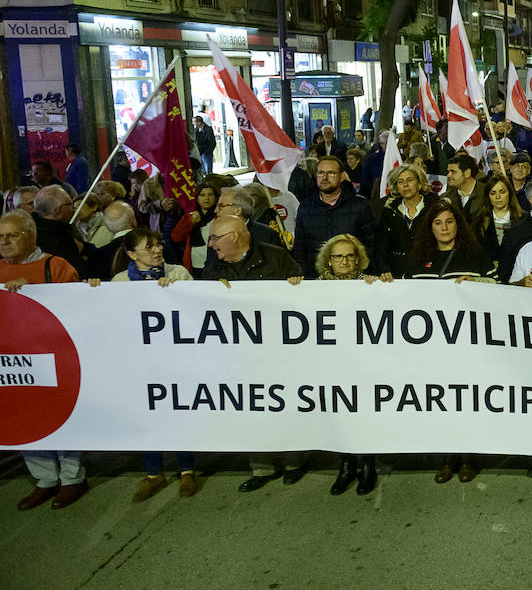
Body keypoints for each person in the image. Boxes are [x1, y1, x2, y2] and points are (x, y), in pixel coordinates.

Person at [86, 226, 197, 501]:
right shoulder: (120, 282)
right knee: (148, 416)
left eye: (159, 243)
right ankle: (153, 473)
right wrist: (94, 292)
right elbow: (110, 319)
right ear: (132, 253)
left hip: (175, 360)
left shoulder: (178, 274)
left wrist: (177, 293)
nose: (158, 249)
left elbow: (198, 311)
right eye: (149, 247)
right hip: (141, 363)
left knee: (179, 412)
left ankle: (187, 471)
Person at [199, 215, 305, 492]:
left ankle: (293, 462)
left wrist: (298, 285)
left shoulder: (277, 258)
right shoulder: (213, 270)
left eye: (214, 238)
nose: (210, 244)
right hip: (239, 355)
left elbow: (304, 299)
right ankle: (262, 466)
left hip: (278, 349)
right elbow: (198, 308)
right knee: (253, 407)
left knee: (284, 404)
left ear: (233, 236)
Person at [2, 210, 88, 511]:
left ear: (31, 235)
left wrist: (36, 293)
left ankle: (72, 478)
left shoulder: (56, 266)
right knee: (26, 418)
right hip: (13, 364)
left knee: (61, 416)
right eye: (0, 237)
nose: (5, 242)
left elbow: (77, 308)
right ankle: (45, 480)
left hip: (54, 357)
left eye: (12, 235)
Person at [406, 200, 492, 484]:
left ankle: (468, 457)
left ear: (458, 224)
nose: (444, 227)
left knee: (466, 402)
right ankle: (446, 457)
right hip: (432, 348)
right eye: (438, 223)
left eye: (449, 221)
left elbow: (500, 289)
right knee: (440, 403)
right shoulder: (419, 258)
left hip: (467, 345)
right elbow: (404, 297)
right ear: (430, 227)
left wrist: (477, 284)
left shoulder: (475, 254)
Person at [315, 234, 386, 496]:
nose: (344, 261)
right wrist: (293, 287)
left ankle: (368, 464)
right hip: (332, 363)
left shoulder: (370, 284)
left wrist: (380, 286)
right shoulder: (314, 288)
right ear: (329, 261)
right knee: (340, 414)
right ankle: (346, 465)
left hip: (363, 364)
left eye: (349, 256)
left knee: (364, 413)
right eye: (338, 256)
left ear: (358, 260)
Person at [293, 156, 376, 279]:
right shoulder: (305, 207)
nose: (324, 177)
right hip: (316, 280)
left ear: (342, 176)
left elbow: (372, 245)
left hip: (354, 281)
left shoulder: (360, 205)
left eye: (331, 173)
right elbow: (300, 247)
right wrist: (302, 277)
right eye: (321, 173)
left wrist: (369, 275)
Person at [374, 164, 436, 277]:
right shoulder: (389, 210)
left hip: (429, 273)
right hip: (396, 274)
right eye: (400, 182)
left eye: (410, 180)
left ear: (420, 183)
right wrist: (384, 269)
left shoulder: (435, 208)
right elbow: (381, 246)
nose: (405, 185)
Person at [170, 182, 220, 277]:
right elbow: (176, 237)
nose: (207, 198)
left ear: (216, 197)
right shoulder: (190, 216)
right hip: (194, 261)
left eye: (210, 195)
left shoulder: (220, 216)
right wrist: (190, 222)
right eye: (202, 195)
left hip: (215, 262)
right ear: (197, 198)